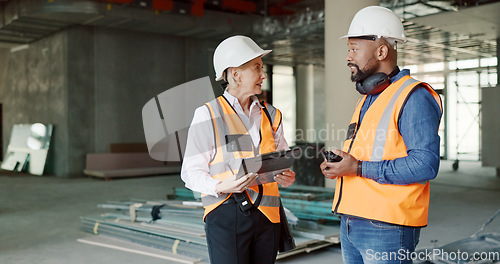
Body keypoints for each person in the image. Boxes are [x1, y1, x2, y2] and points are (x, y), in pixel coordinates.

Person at [321, 6, 443, 264]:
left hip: (387, 226)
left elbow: (425, 164)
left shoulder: (413, 96)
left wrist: (359, 168)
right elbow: (369, 153)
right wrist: (342, 165)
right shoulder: (369, 98)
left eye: (354, 48)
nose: (347, 57)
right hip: (351, 221)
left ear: (381, 51)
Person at [181, 35, 296, 264]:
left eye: (262, 68)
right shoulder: (208, 114)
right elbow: (190, 172)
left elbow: (280, 159)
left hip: (268, 216)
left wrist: (286, 176)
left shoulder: (272, 115)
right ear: (235, 74)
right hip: (226, 214)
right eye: (256, 68)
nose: (263, 75)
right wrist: (221, 186)